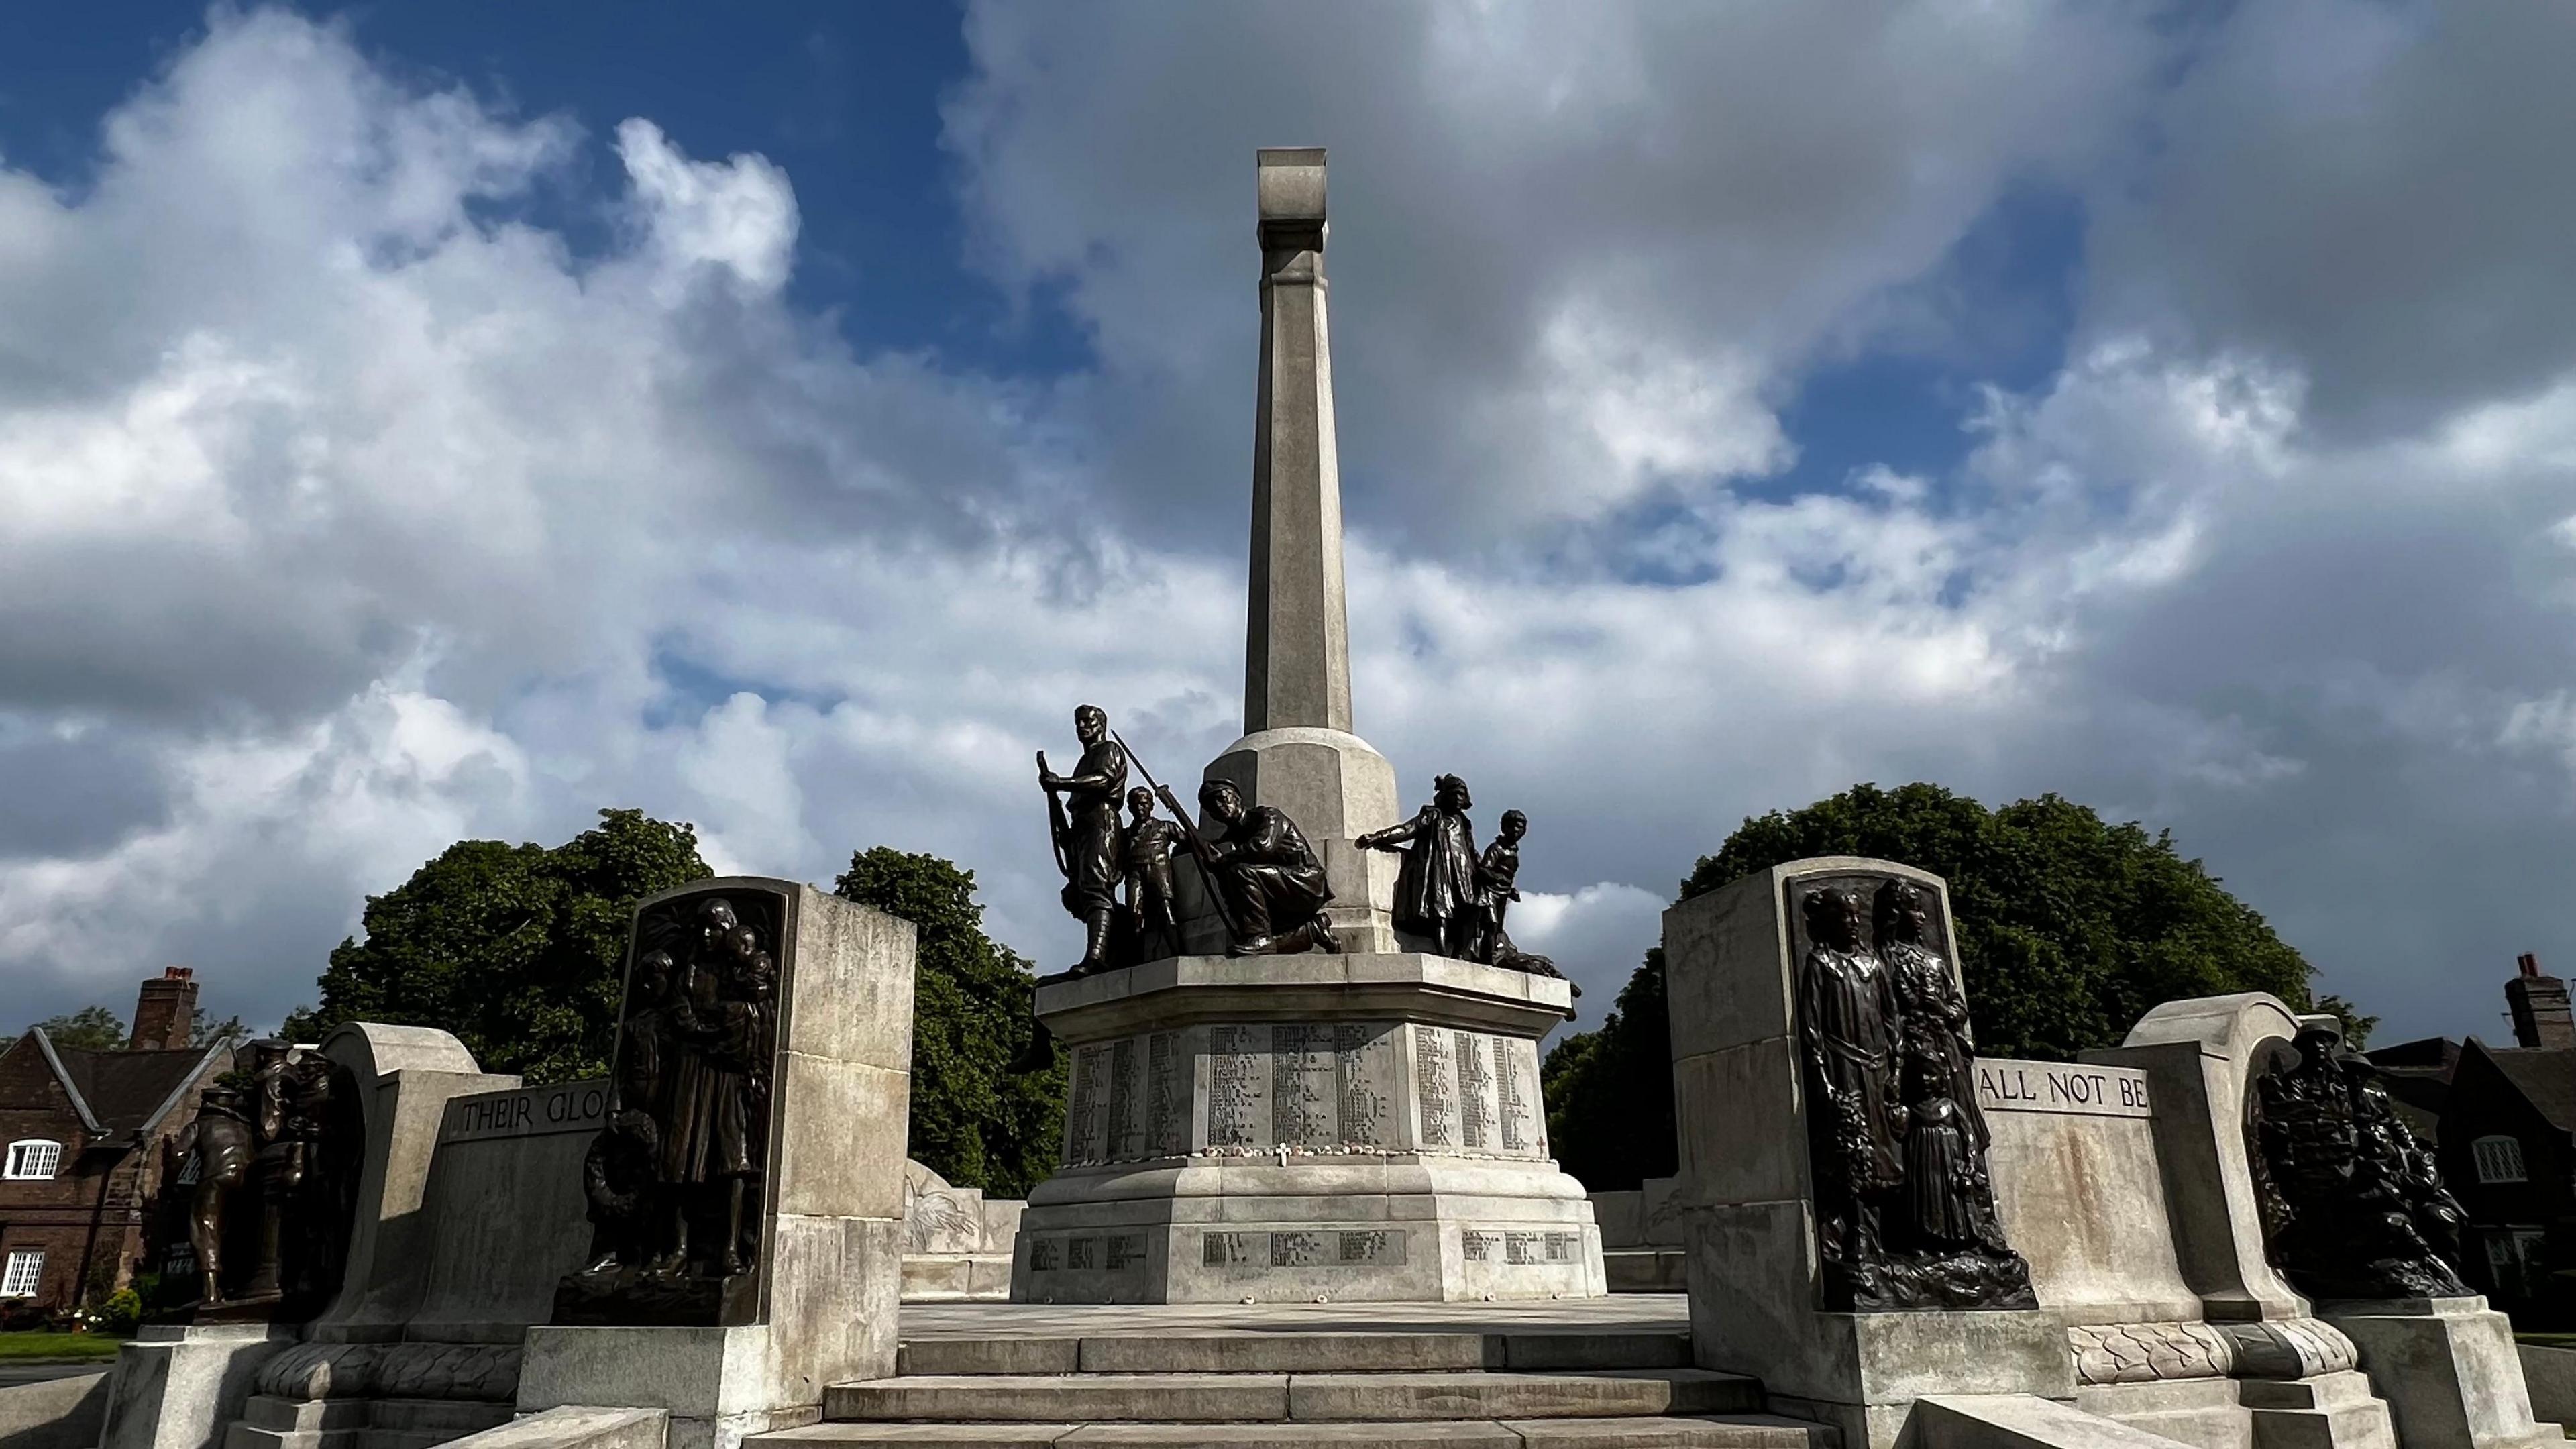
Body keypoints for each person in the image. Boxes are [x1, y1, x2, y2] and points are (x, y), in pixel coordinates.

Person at [1195, 779, 1341, 955]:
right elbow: (1211, 846)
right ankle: (1312, 930)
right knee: (1231, 881)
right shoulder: (1234, 833)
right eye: (1212, 806)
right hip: (1277, 886)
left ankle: (1260, 936)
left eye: (1222, 798)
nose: (1219, 806)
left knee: (1241, 871)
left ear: (1237, 799)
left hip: (1305, 881)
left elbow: (1262, 847)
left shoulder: (1268, 816)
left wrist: (1224, 860)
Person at [1038, 705, 1130, 974]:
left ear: (1101, 724)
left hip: (1101, 821)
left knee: (1095, 884)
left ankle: (1097, 956)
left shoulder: (1109, 750)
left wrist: (1062, 783)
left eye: (1087, 721)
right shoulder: (1084, 759)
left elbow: (1103, 781)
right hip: (1082, 824)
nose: (1082, 727)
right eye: (1078, 722)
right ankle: (1110, 944)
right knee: (1076, 891)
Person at [1359, 773, 1483, 958]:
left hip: (1462, 874)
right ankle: (1442, 954)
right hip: (1440, 870)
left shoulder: (1464, 823)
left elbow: (1472, 852)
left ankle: (1458, 954)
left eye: (1462, 795)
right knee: (1441, 913)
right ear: (1444, 795)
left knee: (1472, 911)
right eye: (1454, 793)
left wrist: (1485, 870)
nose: (1458, 798)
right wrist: (1379, 837)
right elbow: (1408, 829)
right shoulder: (1433, 815)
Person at [1120, 786, 1183, 949]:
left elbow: (1189, 842)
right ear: (1130, 808)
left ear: (1151, 805)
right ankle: (1137, 959)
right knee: (1134, 915)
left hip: (1159, 876)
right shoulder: (1126, 835)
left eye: (1144, 804)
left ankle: (1178, 952)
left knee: (1166, 912)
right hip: (1134, 876)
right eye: (1135, 805)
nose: (1140, 808)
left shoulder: (1165, 827)